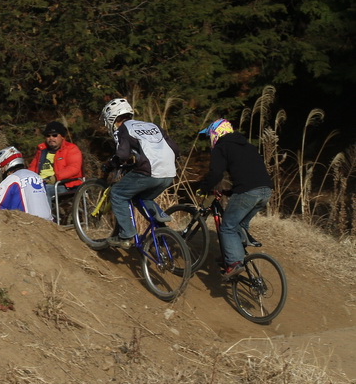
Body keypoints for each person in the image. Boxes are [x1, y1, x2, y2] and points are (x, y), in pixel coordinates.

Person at [193, 118, 273, 279]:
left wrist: (204, 188)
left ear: (216, 134)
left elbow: (216, 173)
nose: (209, 139)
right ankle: (234, 253)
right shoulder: (247, 146)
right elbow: (249, 172)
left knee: (227, 227)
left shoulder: (221, 146)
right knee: (240, 224)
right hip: (266, 190)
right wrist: (230, 192)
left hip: (248, 192)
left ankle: (235, 263)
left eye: (210, 135)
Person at [100, 98, 180, 249]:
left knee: (117, 193)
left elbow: (122, 155)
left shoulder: (123, 128)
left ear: (112, 118)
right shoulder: (152, 125)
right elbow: (175, 148)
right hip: (169, 172)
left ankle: (126, 235)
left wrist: (110, 165)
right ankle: (163, 230)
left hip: (149, 171)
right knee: (142, 197)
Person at [27, 120, 84, 205]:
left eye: (54, 135)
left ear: (62, 137)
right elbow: (32, 168)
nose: (51, 138)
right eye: (48, 136)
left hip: (63, 185)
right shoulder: (41, 150)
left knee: (42, 191)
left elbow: (74, 168)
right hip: (40, 183)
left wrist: (55, 178)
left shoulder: (71, 149)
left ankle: (45, 218)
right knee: (23, 191)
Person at [0, 146, 53, 220]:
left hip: (25, 224)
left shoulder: (10, 181)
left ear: (4, 167)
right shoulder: (37, 177)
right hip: (48, 224)